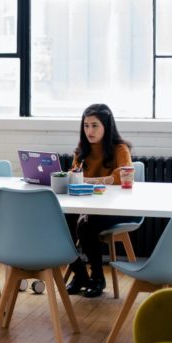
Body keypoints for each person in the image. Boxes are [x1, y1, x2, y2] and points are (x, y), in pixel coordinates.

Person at [65, 103, 134, 298]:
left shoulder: (120, 149)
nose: (89, 130)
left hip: (114, 207)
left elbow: (123, 176)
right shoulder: (81, 151)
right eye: (86, 126)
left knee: (86, 226)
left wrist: (90, 180)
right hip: (85, 204)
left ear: (106, 126)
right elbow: (74, 176)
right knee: (61, 222)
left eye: (95, 125)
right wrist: (104, 179)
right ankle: (79, 274)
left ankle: (97, 278)